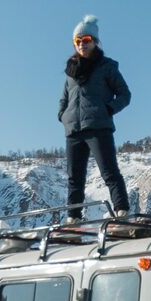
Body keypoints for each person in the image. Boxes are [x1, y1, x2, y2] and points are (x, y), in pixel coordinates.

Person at [58, 15, 132, 221]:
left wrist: (108, 109)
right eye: (78, 41)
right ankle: (73, 219)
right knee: (74, 179)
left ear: (96, 41)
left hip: (98, 126)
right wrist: (62, 115)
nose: (82, 44)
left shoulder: (107, 66)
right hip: (73, 130)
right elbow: (64, 98)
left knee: (109, 172)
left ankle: (122, 212)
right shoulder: (70, 72)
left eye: (86, 40)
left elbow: (125, 94)